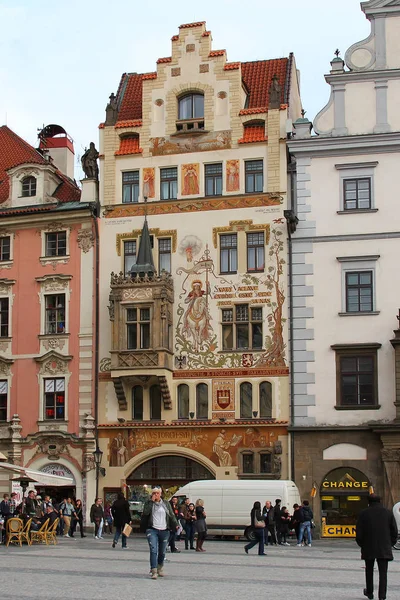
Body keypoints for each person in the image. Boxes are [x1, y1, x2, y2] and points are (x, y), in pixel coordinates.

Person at [356, 494, 398, 600]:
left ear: (368, 502)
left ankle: (369, 592)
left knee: (369, 570)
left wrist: (362, 544)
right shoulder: (388, 513)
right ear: (380, 501)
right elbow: (394, 531)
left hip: (368, 546)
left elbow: (359, 532)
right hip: (384, 547)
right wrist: (390, 543)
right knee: (383, 573)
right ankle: (382, 596)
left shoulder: (363, 513)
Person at [141, 486, 179, 579]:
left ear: (160, 494)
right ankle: (153, 570)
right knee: (153, 549)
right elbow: (145, 513)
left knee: (162, 551)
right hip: (152, 529)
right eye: (154, 493)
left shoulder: (165, 503)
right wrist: (151, 502)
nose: (156, 495)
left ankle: (160, 567)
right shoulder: (149, 503)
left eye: (157, 493)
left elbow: (171, 514)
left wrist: (176, 524)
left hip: (164, 530)